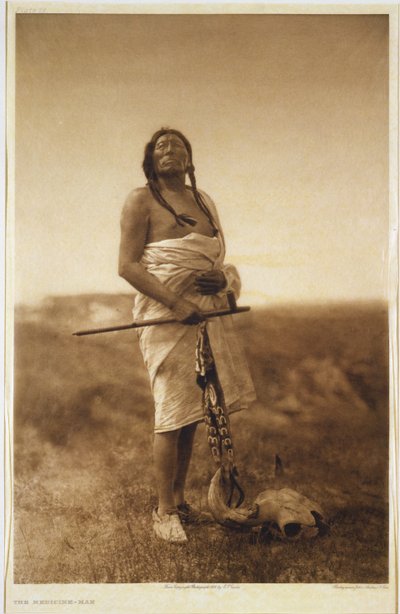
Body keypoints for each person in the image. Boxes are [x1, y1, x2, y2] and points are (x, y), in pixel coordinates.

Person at [118, 128, 256, 543]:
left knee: (192, 410)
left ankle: (178, 501)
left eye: (178, 145)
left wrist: (221, 279)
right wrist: (176, 304)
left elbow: (218, 256)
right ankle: (163, 513)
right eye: (160, 145)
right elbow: (127, 266)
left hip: (207, 316)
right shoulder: (140, 200)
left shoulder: (204, 202)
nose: (169, 149)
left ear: (189, 158)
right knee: (170, 411)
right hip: (165, 317)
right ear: (150, 159)